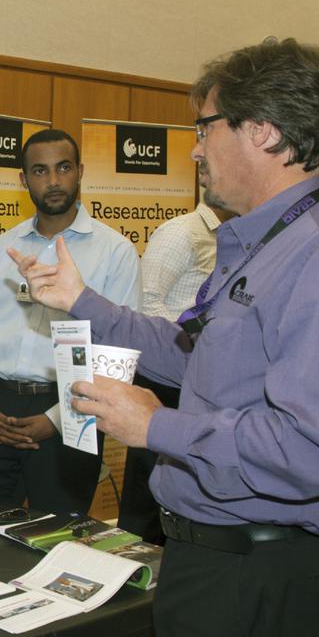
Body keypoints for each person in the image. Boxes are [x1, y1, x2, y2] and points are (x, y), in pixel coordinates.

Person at [15, 38, 319, 637]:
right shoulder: (269, 246)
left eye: (205, 127)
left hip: (262, 576)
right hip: (216, 564)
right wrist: (81, 303)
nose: (194, 150)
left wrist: (153, 426)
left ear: (262, 130)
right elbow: (196, 355)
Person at [0, 128, 140, 514]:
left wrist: (58, 419)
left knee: (59, 546)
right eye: (40, 171)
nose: (53, 181)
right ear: (23, 179)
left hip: (73, 410)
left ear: (80, 171)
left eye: (63, 168)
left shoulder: (116, 252)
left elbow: (117, 354)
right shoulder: (1, 249)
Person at [119, 194, 235, 541]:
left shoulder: (238, 236)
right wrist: (195, 344)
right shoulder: (180, 232)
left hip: (206, 381)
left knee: (189, 479)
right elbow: (148, 301)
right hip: (167, 374)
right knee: (148, 487)